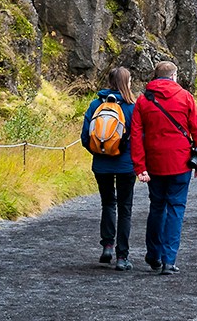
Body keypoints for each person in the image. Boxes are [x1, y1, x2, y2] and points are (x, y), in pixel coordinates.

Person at [132, 61, 197, 274]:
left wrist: (140, 166)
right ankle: (169, 260)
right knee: (176, 209)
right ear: (174, 76)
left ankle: (154, 255)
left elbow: (136, 136)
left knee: (157, 207)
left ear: (155, 76)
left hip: (154, 163)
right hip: (180, 162)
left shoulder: (143, 100)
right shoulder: (185, 97)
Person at [81, 67, 137, 270]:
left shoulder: (96, 104)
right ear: (126, 82)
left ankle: (107, 245)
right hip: (126, 165)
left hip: (101, 165)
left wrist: (100, 152)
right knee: (125, 208)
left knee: (107, 203)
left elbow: (85, 137)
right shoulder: (132, 107)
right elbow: (139, 138)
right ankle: (122, 257)